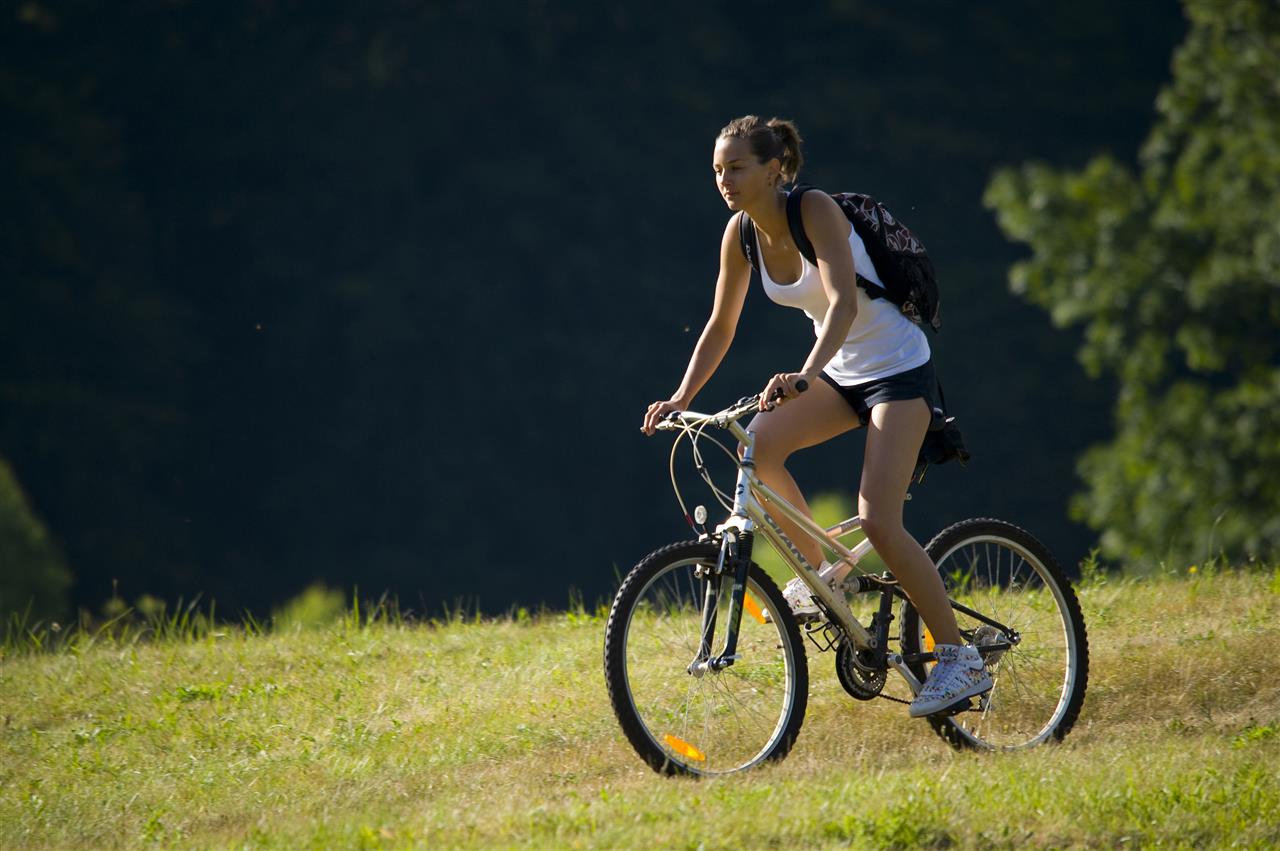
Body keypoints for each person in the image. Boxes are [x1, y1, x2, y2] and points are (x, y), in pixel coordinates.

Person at [640, 115, 990, 718]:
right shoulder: (740, 234)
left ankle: (960, 657)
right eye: (718, 170)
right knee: (759, 445)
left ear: (773, 168)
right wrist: (679, 395)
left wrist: (803, 373)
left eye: (737, 168)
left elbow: (844, 301)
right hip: (839, 371)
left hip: (898, 370)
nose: (725, 180)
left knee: (877, 520)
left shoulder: (814, 209)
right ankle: (831, 573)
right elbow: (721, 326)